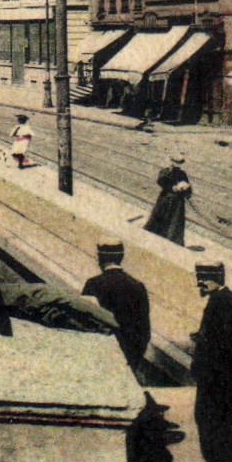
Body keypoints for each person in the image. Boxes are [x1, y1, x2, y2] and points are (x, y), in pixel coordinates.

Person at [189, 262, 232, 462]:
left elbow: (221, 344)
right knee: (227, 418)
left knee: (210, 418)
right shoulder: (229, 300)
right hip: (227, 375)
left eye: (202, 279)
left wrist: (202, 343)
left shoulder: (220, 303)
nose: (199, 285)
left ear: (215, 278)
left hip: (217, 376)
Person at [81, 242, 151, 375]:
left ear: (100, 258)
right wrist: (135, 358)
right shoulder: (137, 286)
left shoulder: (93, 284)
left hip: (101, 354)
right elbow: (144, 329)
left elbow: (83, 320)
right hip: (129, 354)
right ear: (122, 257)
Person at [144, 155, 191, 245]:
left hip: (177, 202)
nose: (177, 165)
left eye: (179, 163)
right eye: (175, 162)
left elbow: (188, 188)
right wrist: (173, 188)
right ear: (171, 162)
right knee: (159, 218)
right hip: (166, 199)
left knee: (175, 222)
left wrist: (185, 189)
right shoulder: (166, 171)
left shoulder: (182, 174)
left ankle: (172, 239)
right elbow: (161, 181)